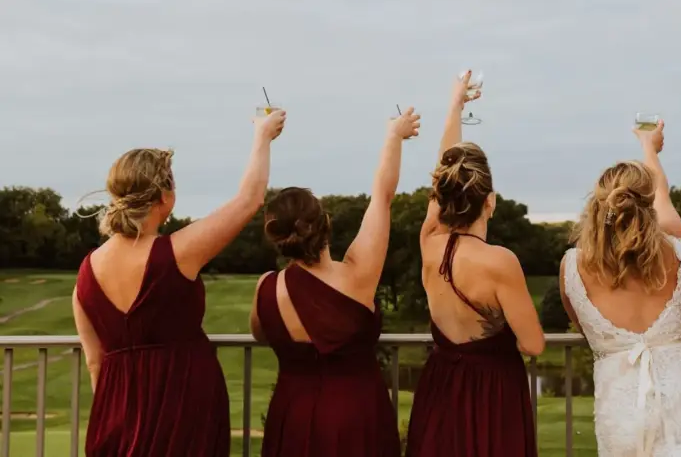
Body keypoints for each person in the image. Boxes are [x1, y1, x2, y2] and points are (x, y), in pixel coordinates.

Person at [72, 108, 286, 457]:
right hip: (185, 408)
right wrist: (262, 136)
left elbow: (96, 363)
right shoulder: (177, 252)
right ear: (163, 196)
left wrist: (123, 415)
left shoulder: (85, 273)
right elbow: (249, 200)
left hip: (116, 417)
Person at [250, 107, 420, 457]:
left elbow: (262, 334)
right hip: (357, 417)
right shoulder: (358, 276)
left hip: (292, 416)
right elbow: (382, 197)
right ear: (325, 222)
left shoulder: (266, 288)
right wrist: (394, 136)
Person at [560, 120, 681, 456]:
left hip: (621, 402)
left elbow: (583, 325)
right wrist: (650, 147)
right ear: (646, 203)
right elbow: (662, 193)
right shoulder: (677, 246)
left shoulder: (573, 267)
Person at [405, 71, 545, 457]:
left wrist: (454, 106)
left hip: (440, 387)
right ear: (491, 202)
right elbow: (533, 344)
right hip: (493, 394)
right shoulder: (500, 262)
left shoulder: (429, 243)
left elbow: (441, 176)